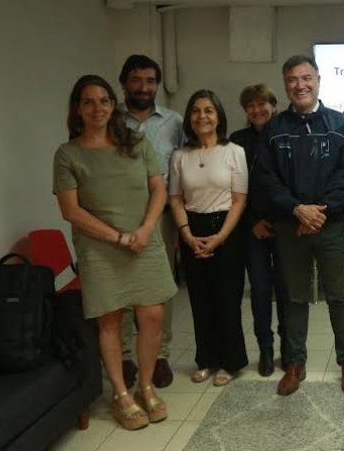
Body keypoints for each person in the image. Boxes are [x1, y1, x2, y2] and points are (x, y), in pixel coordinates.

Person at [54, 75, 177, 430]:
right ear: (77, 108)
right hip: (100, 248)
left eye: (104, 101)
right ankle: (121, 394)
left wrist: (144, 229)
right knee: (110, 321)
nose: (98, 108)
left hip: (144, 240)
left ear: (114, 105)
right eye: (89, 102)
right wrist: (118, 237)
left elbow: (158, 188)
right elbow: (71, 211)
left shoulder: (135, 143)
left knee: (152, 315)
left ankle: (147, 385)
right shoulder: (68, 154)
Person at [257, 54, 344, 397]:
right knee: (295, 297)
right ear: (285, 84)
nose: (299, 85)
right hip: (290, 227)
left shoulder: (341, 123)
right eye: (292, 79)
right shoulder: (274, 128)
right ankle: (295, 363)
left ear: (318, 80)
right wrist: (297, 210)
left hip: (330, 226)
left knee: (338, 296)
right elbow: (267, 180)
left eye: (306, 78)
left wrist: (318, 213)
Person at [169, 89, 248, 387]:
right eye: (196, 111)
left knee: (227, 300)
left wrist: (220, 237)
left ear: (218, 116)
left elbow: (239, 200)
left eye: (209, 110)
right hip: (192, 229)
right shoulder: (180, 156)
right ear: (189, 118)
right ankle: (206, 360)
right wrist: (187, 236)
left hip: (226, 227)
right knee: (199, 301)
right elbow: (175, 199)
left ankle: (231, 361)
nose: (202, 116)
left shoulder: (234, 152)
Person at [117, 54, 183, 389]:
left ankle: (160, 355)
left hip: (162, 218)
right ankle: (126, 354)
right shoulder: (110, 121)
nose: (144, 87)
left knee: (160, 286)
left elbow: (183, 168)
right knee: (124, 286)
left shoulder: (174, 121)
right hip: (119, 216)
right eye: (137, 80)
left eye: (150, 81)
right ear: (124, 83)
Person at [229, 83, 289, 377]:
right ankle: (266, 348)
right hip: (252, 228)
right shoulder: (236, 141)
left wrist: (281, 219)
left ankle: (289, 349)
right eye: (250, 105)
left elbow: (293, 182)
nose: (257, 109)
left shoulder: (286, 133)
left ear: (274, 105)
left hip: (286, 225)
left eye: (262, 103)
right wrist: (254, 220)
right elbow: (235, 187)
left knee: (287, 290)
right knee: (261, 290)